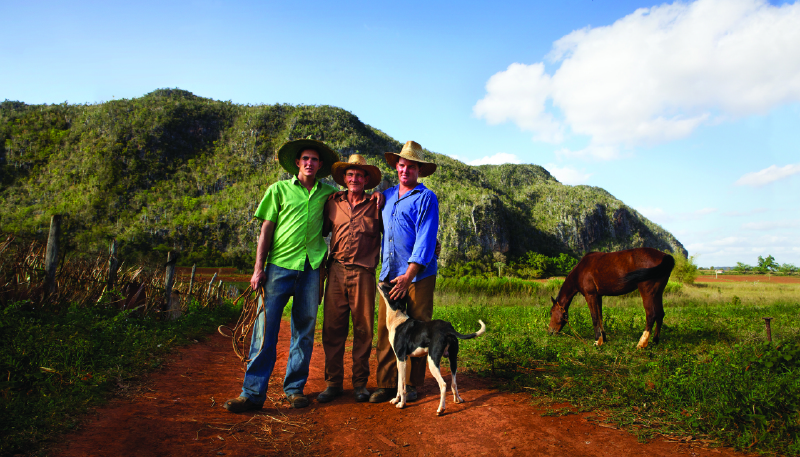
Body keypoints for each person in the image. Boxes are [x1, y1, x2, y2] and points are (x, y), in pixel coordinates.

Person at [223, 139, 339, 412]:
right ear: (298, 163)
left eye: (314, 159)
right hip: (278, 266)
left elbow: (349, 208)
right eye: (305, 159)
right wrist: (258, 269)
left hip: (311, 269)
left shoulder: (328, 194)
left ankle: (295, 389)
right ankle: (251, 393)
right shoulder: (279, 190)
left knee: (305, 331)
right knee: (265, 331)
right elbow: (266, 230)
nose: (310, 163)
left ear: (320, 166)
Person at [370, 140, 439, 404]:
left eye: (411, 166)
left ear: (418, 170)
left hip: (417, 275)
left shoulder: (426, 198)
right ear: (396, 167)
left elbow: (426, 238)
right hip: (389, 273)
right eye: (401, 165)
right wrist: (376, 195)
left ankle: (410, 384)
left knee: (418, 327)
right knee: (388, 329)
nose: (405, 170)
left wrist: (409, 274)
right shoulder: (385, 196)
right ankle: (387, 383)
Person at [316, 155, 383, 404]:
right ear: (344, 178)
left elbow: (394, 233)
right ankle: (333, 383)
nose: (354, 179)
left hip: (364, 273)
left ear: (367, 180)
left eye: (359, 175)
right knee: (333, 329)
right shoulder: (332, 202)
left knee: (363, 329)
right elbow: (318, 230)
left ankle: (360, 384)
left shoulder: (377, 205)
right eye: (350, 175)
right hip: (335, 270)